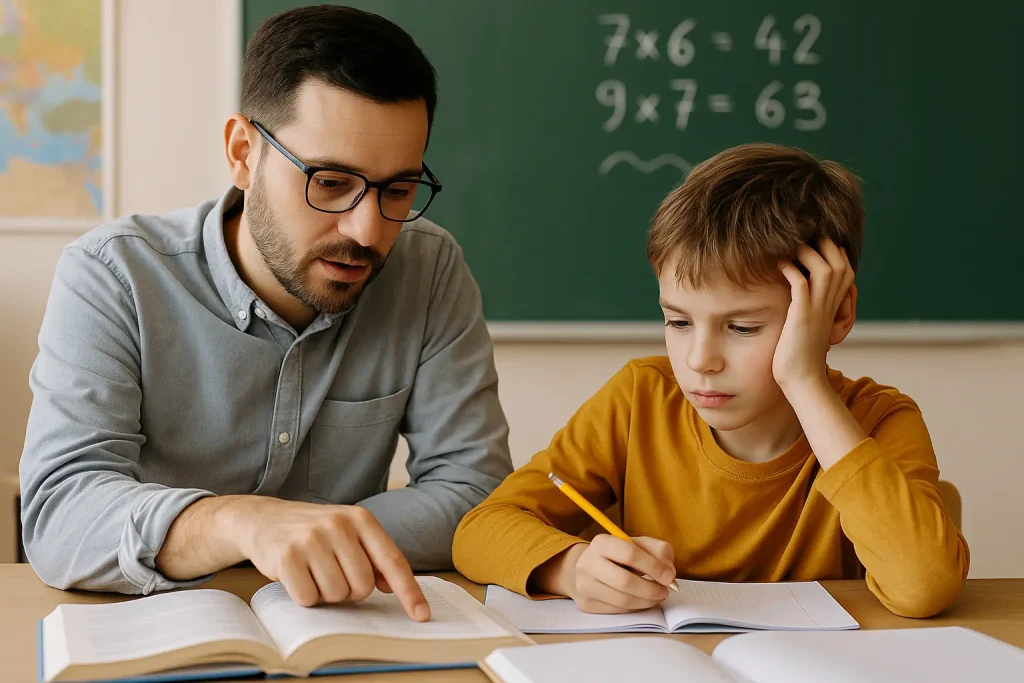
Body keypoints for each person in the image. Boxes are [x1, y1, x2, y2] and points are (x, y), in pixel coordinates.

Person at [20, 5, 513, 621]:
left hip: (345, 631)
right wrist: (237, 524)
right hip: (154, 629)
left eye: (398, 190)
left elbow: (476, 494)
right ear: (243, 152)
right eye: (330, 182)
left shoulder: (430, 269)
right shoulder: (113, 275)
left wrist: (312, 536)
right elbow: (61, 512)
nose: (366, 231)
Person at [452, 143, 969, 618]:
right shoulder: (639, 399)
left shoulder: (878, 420)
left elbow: (922, 586)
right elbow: (478, 533)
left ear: (836, 313)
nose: (700, 359)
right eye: (678, 321)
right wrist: (567, 568)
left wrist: (805, 380)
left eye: (742, 327)